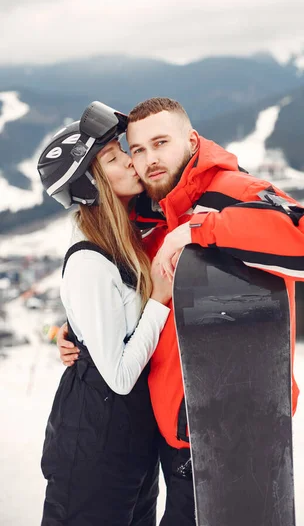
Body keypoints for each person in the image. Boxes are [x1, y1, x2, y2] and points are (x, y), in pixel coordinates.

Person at [60, 97, 304, 525]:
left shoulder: (231, 193)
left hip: (230, 434)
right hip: (170, 439)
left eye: (161, 143)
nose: (149, 159)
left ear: (191, 141)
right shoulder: (152, 214)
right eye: (137, 150)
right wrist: (79, 329)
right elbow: (133, 295)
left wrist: (198, 230)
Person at [37, 102, 172, 526]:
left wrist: (76, 330)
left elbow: (110, 315)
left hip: (128, 443)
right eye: (115, 159)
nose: (132, 161)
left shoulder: (122, 235)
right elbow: (119, 374)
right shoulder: (91, 261)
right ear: (91, 186)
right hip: (94, 449)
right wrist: (159, 301)